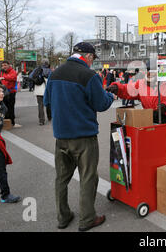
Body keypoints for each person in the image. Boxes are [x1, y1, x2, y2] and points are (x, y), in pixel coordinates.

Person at [44, 42, 114, 232]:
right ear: (89, 57)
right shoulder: (89, 75)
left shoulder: (55, 73)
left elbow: (47, 101)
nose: (92, 63)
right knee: (88, 177)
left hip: (61, 136)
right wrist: (110, 96)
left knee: (61, 179)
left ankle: (63, 217)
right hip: (84, 136)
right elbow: (101, 104)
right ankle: (87, 219)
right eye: (93, 60)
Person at [106, 60, 166, 164]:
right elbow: (128, 89)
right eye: (149, 70)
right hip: (148, 119)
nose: (151, 73)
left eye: (155, 71)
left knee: (165, 152)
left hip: (165, 121)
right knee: (151, 151)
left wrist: (165, 106)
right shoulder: (141, 84)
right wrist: (117, 88)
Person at [0, 61, 20, 128]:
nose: (4, 67)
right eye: (2, 65)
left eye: (5, 65)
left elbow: (13, 77)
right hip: (4, 92)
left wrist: (4, 78)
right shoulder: (2, 72)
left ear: (9, 65)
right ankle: (6, 122)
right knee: (4, 107)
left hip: (11, 92)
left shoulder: (12, 71)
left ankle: (12, 122)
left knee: (10, 107)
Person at [30, 59, 52, 125]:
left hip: (38, 89)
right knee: (48, 103)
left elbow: (30, 76)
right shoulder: (49, 70)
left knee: (40, 105)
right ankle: (49, 116)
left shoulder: (37, 69)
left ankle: (41, 120)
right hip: (47, 89)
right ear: (48, 63)